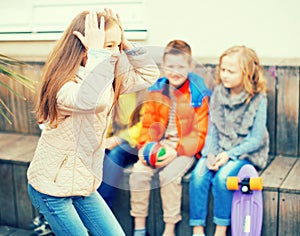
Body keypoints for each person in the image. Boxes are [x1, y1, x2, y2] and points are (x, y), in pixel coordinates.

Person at [26, 8, 159, 236]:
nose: (115, 53)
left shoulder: (109, 78)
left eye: (117, 45)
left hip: (82, 183)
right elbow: (91, 100)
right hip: (51, 189)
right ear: (83, 47)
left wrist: (125, 41)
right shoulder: (64, 84)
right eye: (109, 46)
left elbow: (149, 74)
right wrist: (99, 54)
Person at [129, 39, 211, 236]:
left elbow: (199, 134)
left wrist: (176, 151)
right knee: (138, 173)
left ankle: (169, 228)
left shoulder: (198, 94)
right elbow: (148, 123)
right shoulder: (157, 90)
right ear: (163, 66)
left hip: (185, 149)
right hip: (159, 145)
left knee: (168, 176)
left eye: (181, 67)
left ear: (190, 67)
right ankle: (139, 228)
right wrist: (145, 146)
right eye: (170, 66)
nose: (175, 71)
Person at [189, 45, 269, 236]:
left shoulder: (258, 99)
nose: (224, 74)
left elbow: (256, 139)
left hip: (245, 152)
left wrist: (229, 155)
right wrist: (210, 154)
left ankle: (221, 229)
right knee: (198, 175)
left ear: (247, 73)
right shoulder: (218, 93)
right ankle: (198, 228)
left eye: (230, 71)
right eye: (222, 69)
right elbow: (213, 129)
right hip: (219, 149)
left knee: (224, 178)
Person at [98, 89, 146, 209]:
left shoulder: (145, 91)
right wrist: (102, 141)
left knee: (115, 154)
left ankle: (103, 207)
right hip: (113, 138)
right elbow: (106, 121)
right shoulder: (113, 90)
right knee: (100, 153)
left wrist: (119, 139)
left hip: (137, 141)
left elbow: (144, 124)